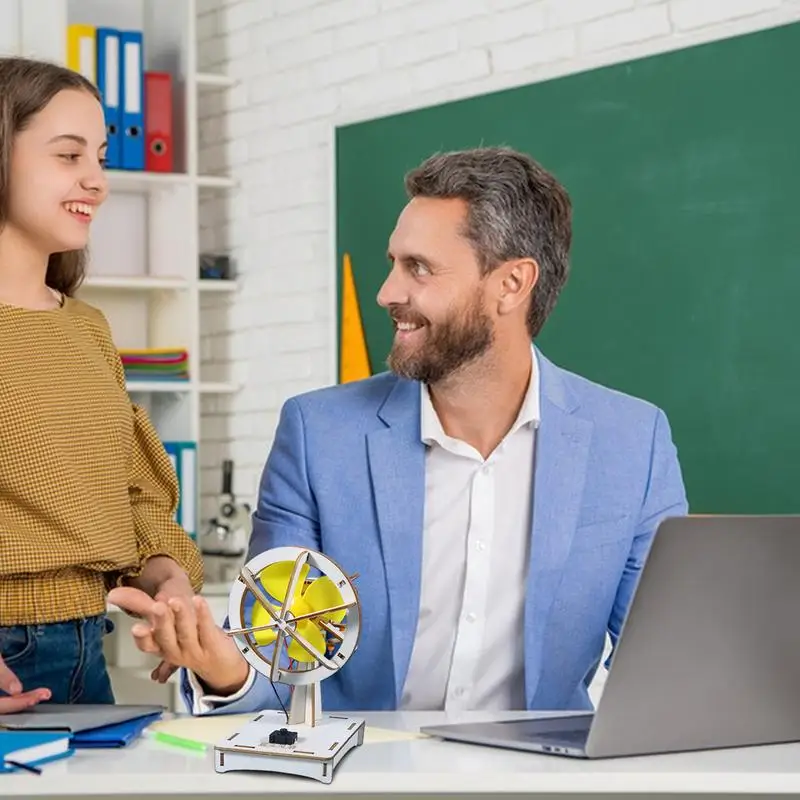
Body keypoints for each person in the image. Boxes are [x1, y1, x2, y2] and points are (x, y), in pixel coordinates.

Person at [110, 146, 688, 715]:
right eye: (393, 263)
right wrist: (221, 666)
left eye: (419, 268)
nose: (387, 292)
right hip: (366, 773)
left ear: (511, 284)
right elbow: (279, 667)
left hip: (541, 775)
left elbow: (669, 661)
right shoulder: (319, 436)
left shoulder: (632, 443)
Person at [0, 56, 204, 713]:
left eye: (101, 157)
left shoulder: (86, 329)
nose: (97, 180)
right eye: (68, 155)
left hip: (93, 651)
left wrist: (168, 576)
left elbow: (133, 494)